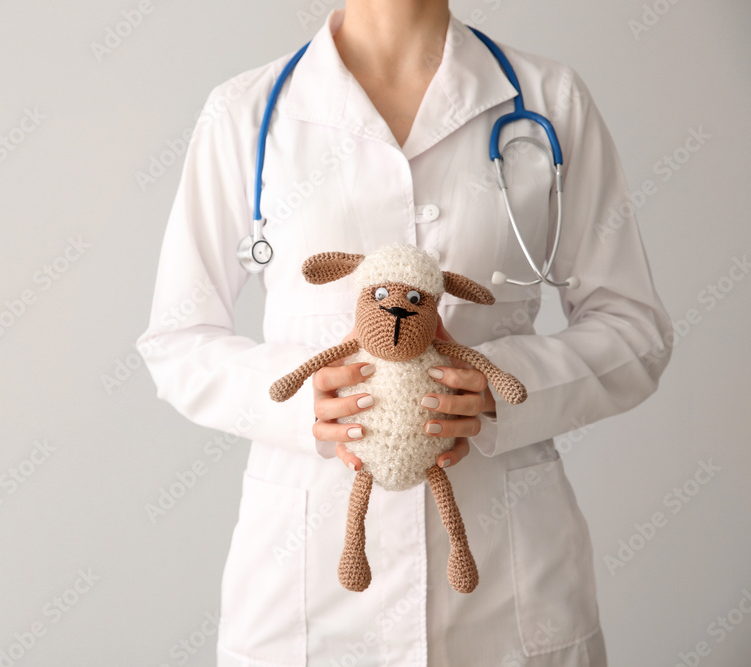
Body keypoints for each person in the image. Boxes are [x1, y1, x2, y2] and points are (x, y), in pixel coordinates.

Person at [135, 1, 673, 664]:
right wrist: (303, 403)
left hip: (508, 586)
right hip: (304, 592)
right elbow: (178, 339)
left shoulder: (547, 99)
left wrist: (504, 388)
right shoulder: (245, 113)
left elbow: (635, 328)